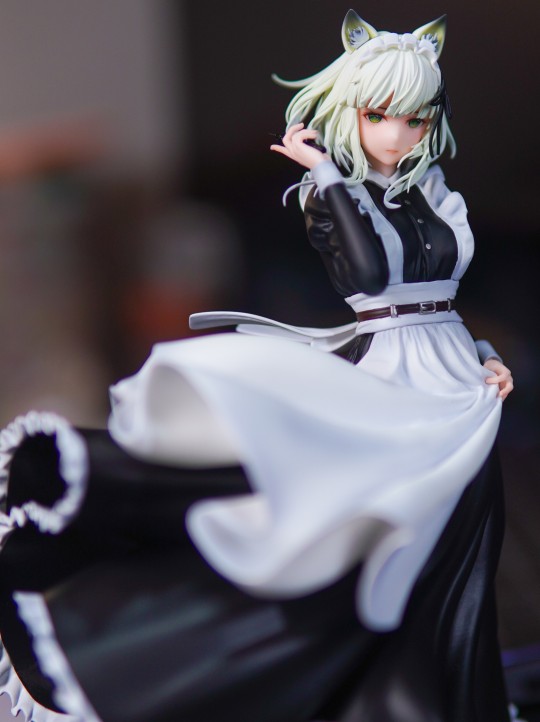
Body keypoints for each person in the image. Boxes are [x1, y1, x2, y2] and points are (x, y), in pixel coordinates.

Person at [0, 10, 515, 722]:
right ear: (349, 115)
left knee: (465, 549)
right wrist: (327, 174)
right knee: (365, 544)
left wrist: (486, 355)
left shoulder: (437, 194)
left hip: (461, 389)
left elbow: (445, 293)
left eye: (416, 120)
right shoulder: (331, 197)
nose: (398, 135)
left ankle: (462, 695)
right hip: (395, 383)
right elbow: (370, 278)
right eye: (378, 116)